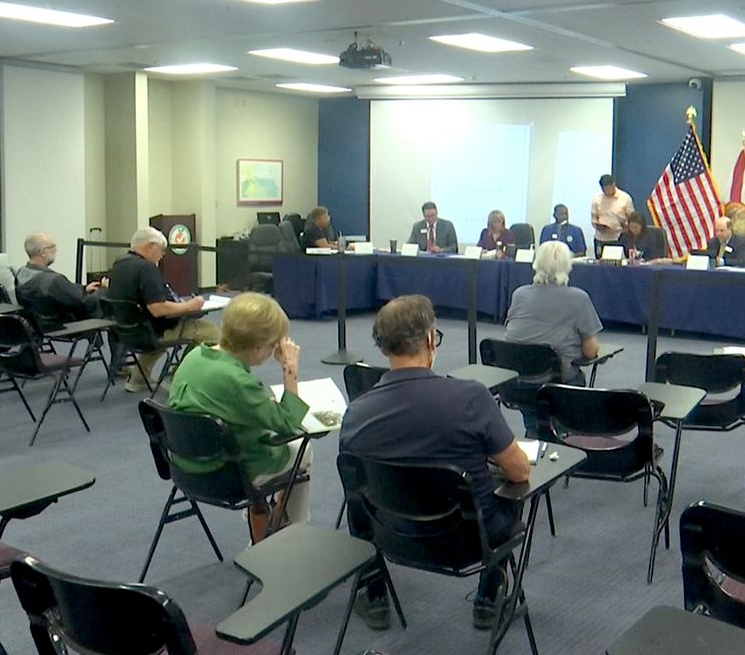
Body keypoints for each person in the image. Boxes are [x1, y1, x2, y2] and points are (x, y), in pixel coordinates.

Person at [340, 295, 531, 631]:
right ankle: (488, 597)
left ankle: (374, 593)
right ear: (431, 339)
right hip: (470, 541)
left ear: (383, 347)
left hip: (389, 532)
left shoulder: (356, 412)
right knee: (512, 487)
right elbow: (519, 470)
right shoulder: (471, 397)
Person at [167, 292, 311, 541]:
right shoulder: (238, 383)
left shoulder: (194, 356)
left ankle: (263, 516)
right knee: (303, 449)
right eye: (272, 344)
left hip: (183, 466)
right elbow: (290, 423)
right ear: (258, 347)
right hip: (226, 475)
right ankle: (290, 528)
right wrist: (290, 370)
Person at [107, 226, 220, 392]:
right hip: (151, 333)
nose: (162, 255)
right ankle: (183, 376)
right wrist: (188, 306)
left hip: (127, 331)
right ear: (150, 246)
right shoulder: (146, 269)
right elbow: (157, 309)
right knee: (211, 332)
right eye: (161, 250)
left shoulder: (119, 264)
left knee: (160, 329)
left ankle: (138, 378)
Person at [505, 241, 603, 431]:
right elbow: (591, 351)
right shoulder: (579, 298)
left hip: (517, 382)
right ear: (568, 266)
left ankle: (536, 432)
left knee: (535, 415)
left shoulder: (519, 294)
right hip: (558, 386)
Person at [15, 233, 107, 324]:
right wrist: (103, 290)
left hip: (38, 328)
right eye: (52, 247)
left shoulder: (21, 274)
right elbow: (84, 304)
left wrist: (84, 289)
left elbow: (65, 292)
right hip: (63, 328)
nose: (55, 251)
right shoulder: (52, 281)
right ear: (42, 252)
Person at [590, 174, 635, 258]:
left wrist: (626, 226)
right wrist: (598, 225)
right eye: (604, 190)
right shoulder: (597, 199)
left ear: (613, 185)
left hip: (618, 238)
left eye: (608, 189)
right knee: (600, 266)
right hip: (601, 238)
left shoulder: (625, 198)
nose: (607, 192)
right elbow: (594, 219)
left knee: (617, 266)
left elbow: (633, 219)